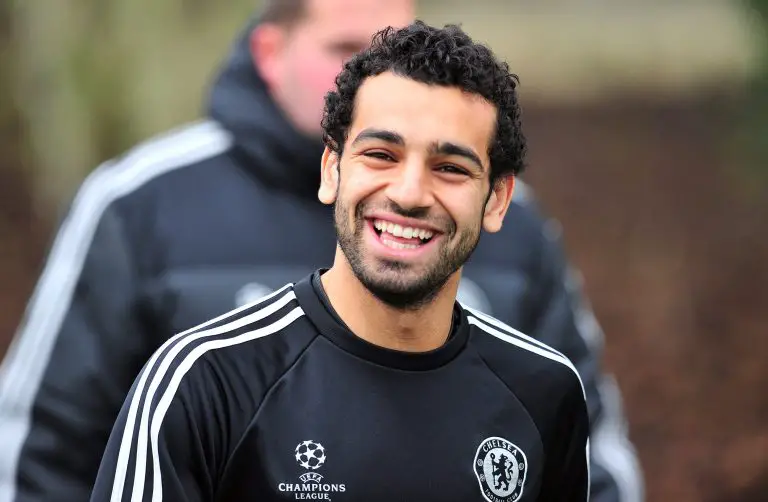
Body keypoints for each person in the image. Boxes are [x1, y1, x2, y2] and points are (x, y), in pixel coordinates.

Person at [0, 1, 643, 501]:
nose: (410, 193)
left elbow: (589, 444)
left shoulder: (519, 241)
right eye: (345, 48)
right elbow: (41, 446)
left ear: (492, 197)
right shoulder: (140, 208)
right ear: (269, 51)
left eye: (449, 167)